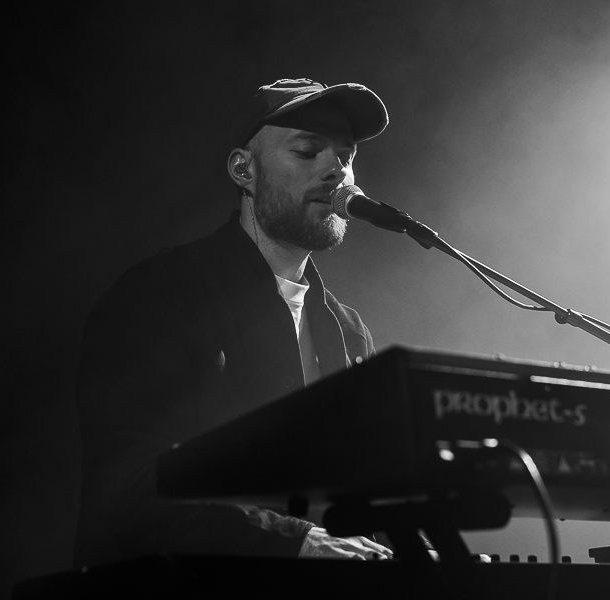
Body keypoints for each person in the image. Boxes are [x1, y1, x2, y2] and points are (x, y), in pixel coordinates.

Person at [74, 79, 393, 565]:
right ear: (244, 169)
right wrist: (294, 542)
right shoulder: (162, 294)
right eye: (307, 151)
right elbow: (130, 484)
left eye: (346, 156)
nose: (337, 171)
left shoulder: (348, 331)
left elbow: (364, 493)